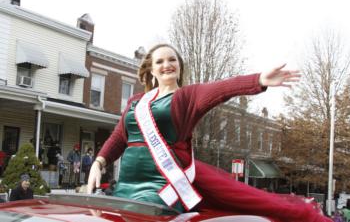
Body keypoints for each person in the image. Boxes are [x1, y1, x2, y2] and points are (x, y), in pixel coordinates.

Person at [87, 43, 331, 222]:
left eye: (172, 60)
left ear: (179, 67)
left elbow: (222, 88)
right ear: (151, 70)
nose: (167, 65)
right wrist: (98, 162)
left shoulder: (186, 96)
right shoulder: (136, 102)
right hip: (127, 185)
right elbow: (119, 137)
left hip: (162, 187)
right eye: (160, 61)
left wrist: (259, 80)